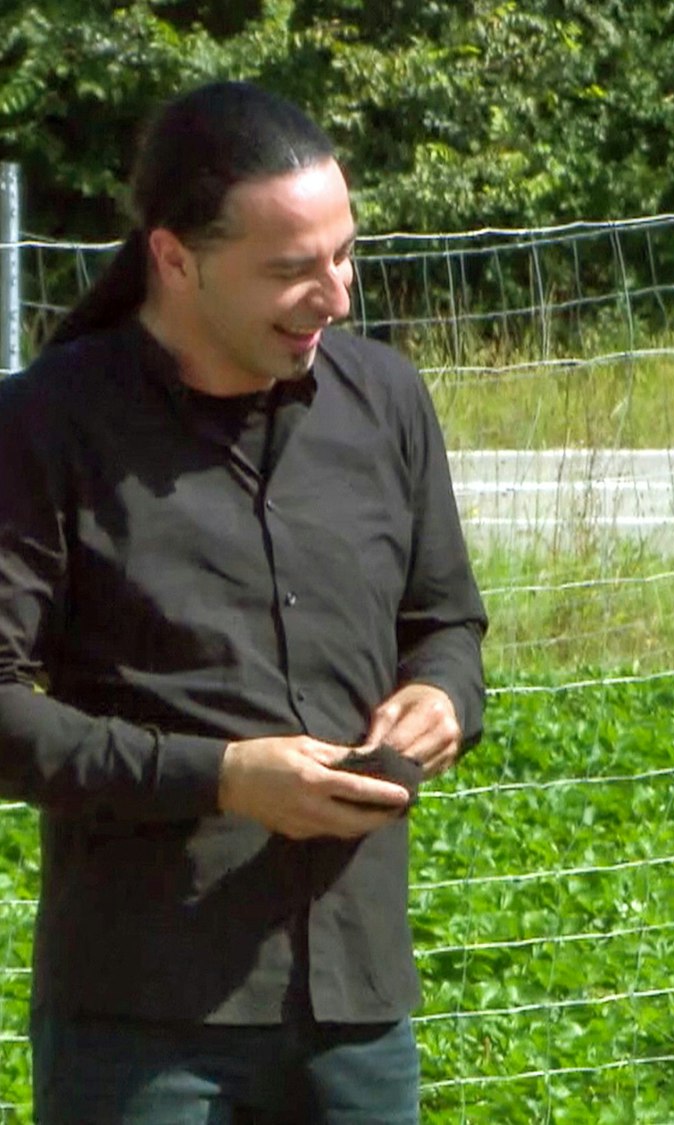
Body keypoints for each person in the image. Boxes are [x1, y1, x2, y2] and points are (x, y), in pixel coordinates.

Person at [0, 81, 486, 1121]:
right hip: (140, 1018)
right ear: (175, 259)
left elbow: (445, 621)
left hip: (356, 1001)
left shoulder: (385, 401)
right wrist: (220, 778)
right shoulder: (47, 427)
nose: (337, 296)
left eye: (344, 255)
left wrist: (445, 695)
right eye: (291, 270)